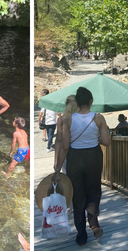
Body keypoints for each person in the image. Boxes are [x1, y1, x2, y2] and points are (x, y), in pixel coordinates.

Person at [53, 87, 111, 246]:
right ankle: (93, 222)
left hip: (75, 158)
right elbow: (106, 142)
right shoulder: (98, 118)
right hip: (93, 157)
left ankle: (81, 234)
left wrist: (57, 169)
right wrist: (96, 138)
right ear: (91, 101)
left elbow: (64, 146)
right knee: (93, 190)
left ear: (77, 102)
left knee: (77, 194)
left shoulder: (68, 120)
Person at [55, 95, 78, 175]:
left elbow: (58, 140)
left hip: (66, 153)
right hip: (81, 152)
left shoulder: (61, 119)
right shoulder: (83, 118)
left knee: (67, 178)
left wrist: (56, 161)